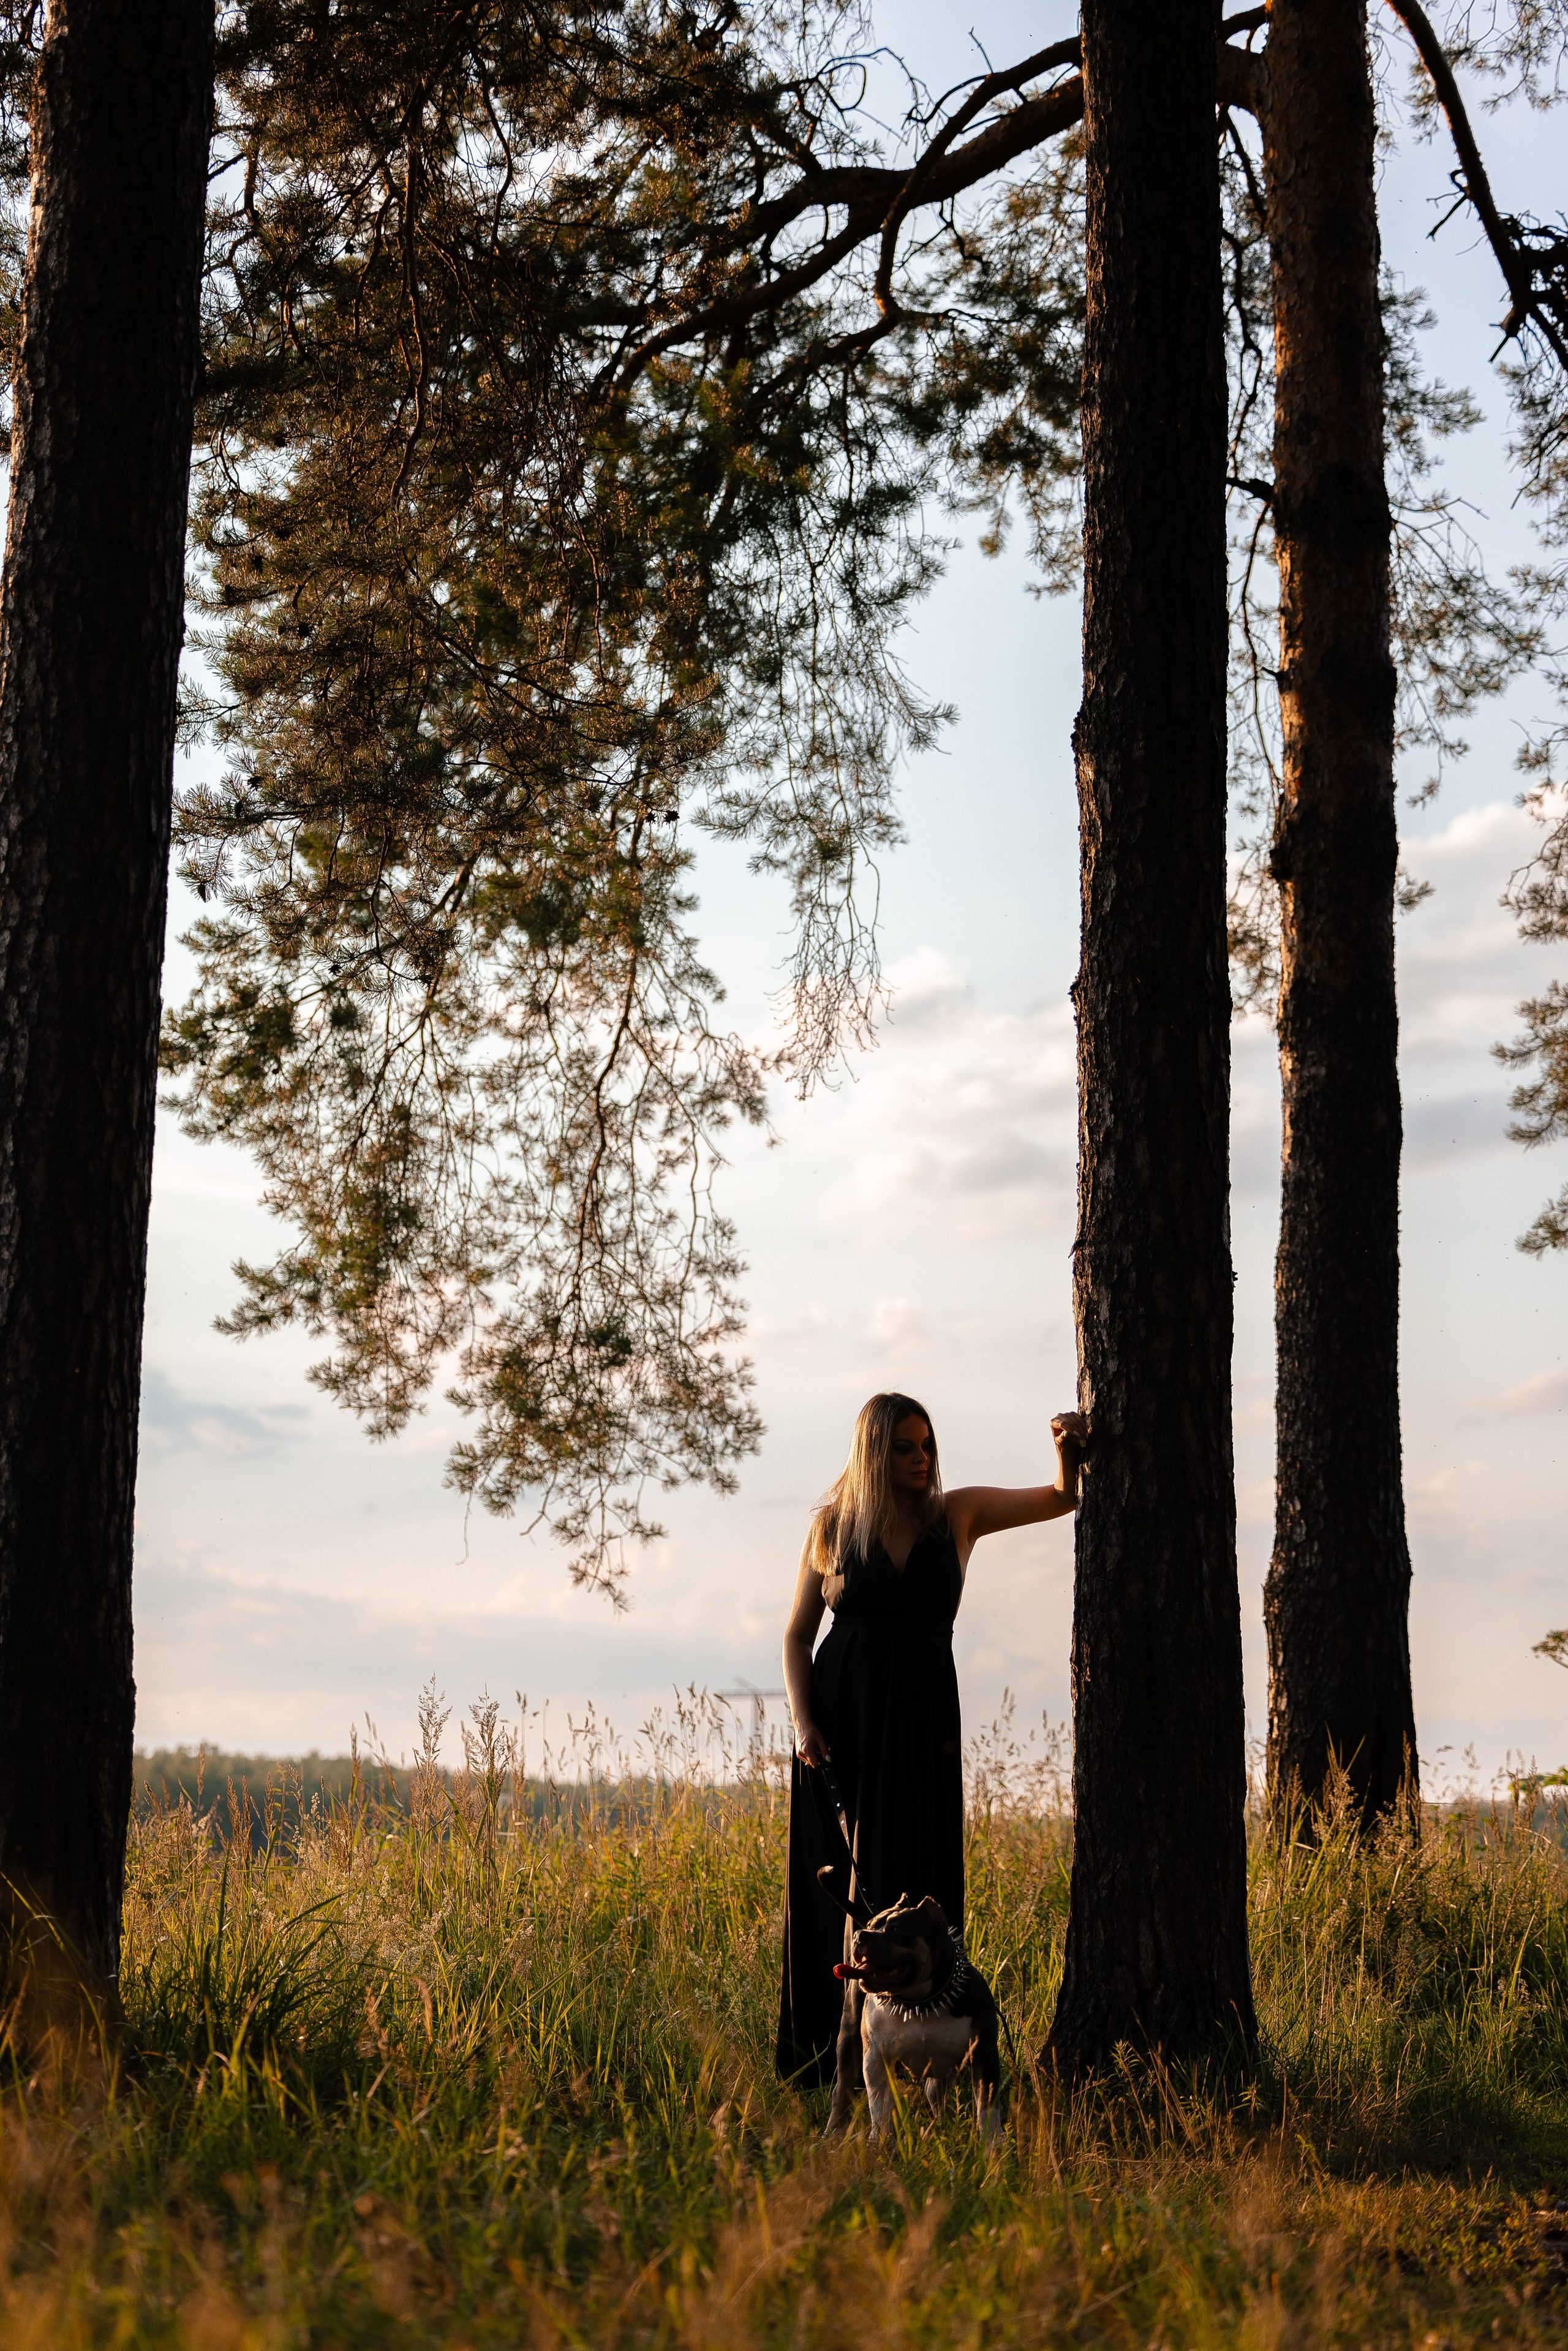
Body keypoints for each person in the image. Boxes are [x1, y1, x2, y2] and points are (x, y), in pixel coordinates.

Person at [775, 1390, 1086, 2087]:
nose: (921, 1459)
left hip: (920, 1729)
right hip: (839, 1732)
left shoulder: (957, 1515)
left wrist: (1067, 1449)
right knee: (848, 1894)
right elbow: (798, 1637)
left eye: (927, 1446)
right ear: (872, 1452)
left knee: (920, 1888)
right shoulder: (832, 1528)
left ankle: (930, 2059)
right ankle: (836, 2067)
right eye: (904, 1447)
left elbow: (1062, 1498)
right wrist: (805, 1723)